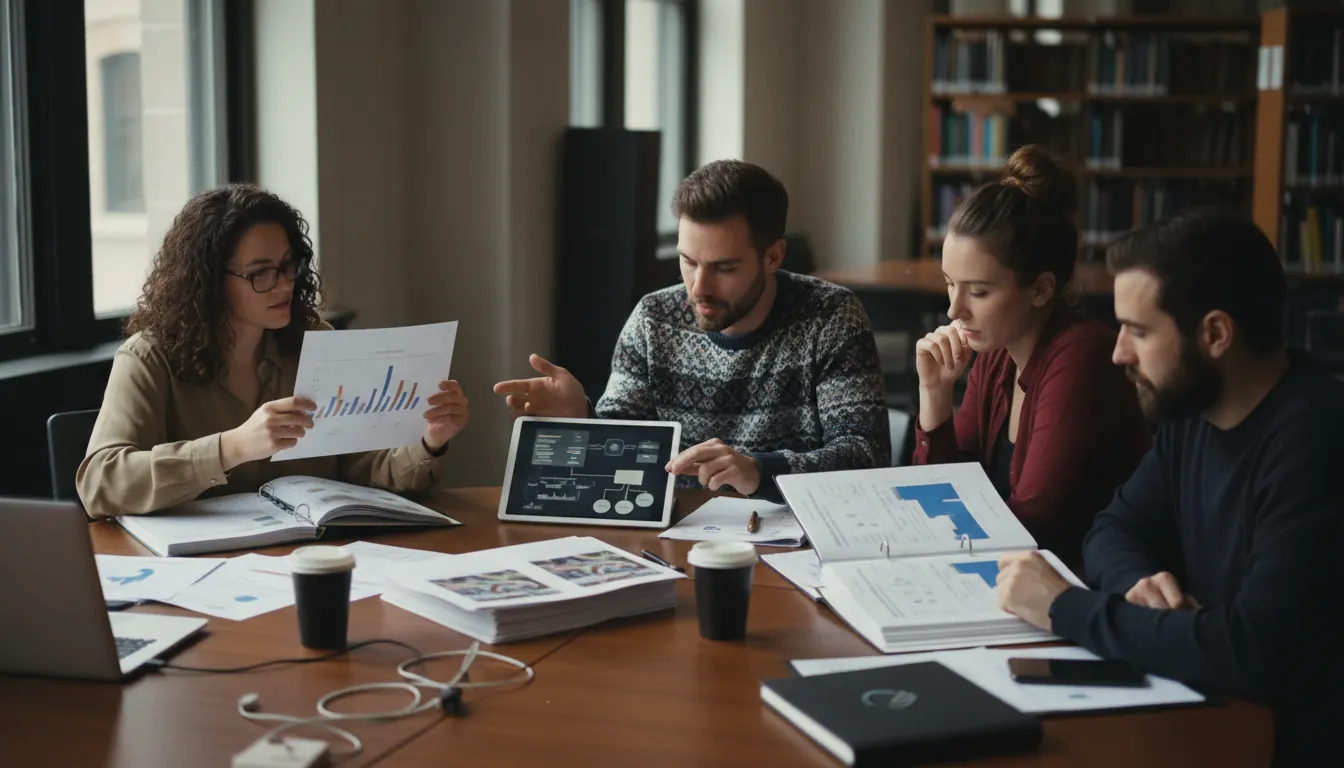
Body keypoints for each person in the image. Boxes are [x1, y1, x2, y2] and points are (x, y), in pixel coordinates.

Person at [995, 208, 1344, 766]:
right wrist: (1139, 582)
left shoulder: (1314, 442)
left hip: (1278, 742)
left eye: (1137, 330)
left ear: (1214, 334)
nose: (1117, 353)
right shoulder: (1193, 414)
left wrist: (1064, 608)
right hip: (1208, 711)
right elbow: (1114, 527)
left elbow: (1253, 650)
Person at [493, 159, 889, 498]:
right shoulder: (653, 320)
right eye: (689, 262)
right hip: (676, 542)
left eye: (724, 267)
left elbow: (865, 455)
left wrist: (758, 471)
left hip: (791, 546)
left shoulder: (831, 318)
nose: (699, 288)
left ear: (773, 256)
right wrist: (582, 421)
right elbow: (622, 453)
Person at [76, 184, 469, 520]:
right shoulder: (149, 357)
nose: (283, 285)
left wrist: (429, 441)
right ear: (210, 282)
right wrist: (232, 447)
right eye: (260, 273)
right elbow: (101, 483)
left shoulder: (314, 342)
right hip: (195, 573)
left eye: (288, 266)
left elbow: (364, 470)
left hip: (308, 559)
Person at [911, 145, 1149, 566]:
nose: (954, 310)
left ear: (1040, 289)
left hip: (1073, 592)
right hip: (1005, 580)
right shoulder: (996, 351)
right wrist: (934, 393)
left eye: (978, 291)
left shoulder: (1082, 357)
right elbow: (943, 496)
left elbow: (1031, 525)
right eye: (951, 284)